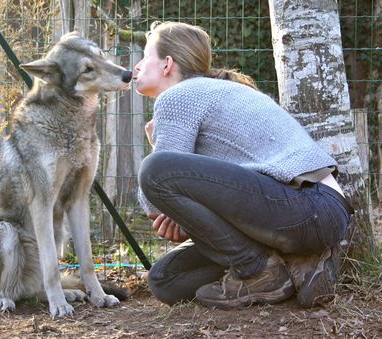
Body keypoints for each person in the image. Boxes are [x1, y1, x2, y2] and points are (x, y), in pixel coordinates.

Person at [134, 21, 354, 310]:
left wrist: (169, 196)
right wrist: (186, 215)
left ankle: (258, 271)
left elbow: (153, 196)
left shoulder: (180, 96)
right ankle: (299, 266)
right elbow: (222, 194)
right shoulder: (217, 92)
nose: (137, 66)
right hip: (313, 211)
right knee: (165, 278)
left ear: (167, 64)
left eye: (146, 56)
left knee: (154, 169)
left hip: (307, 205)